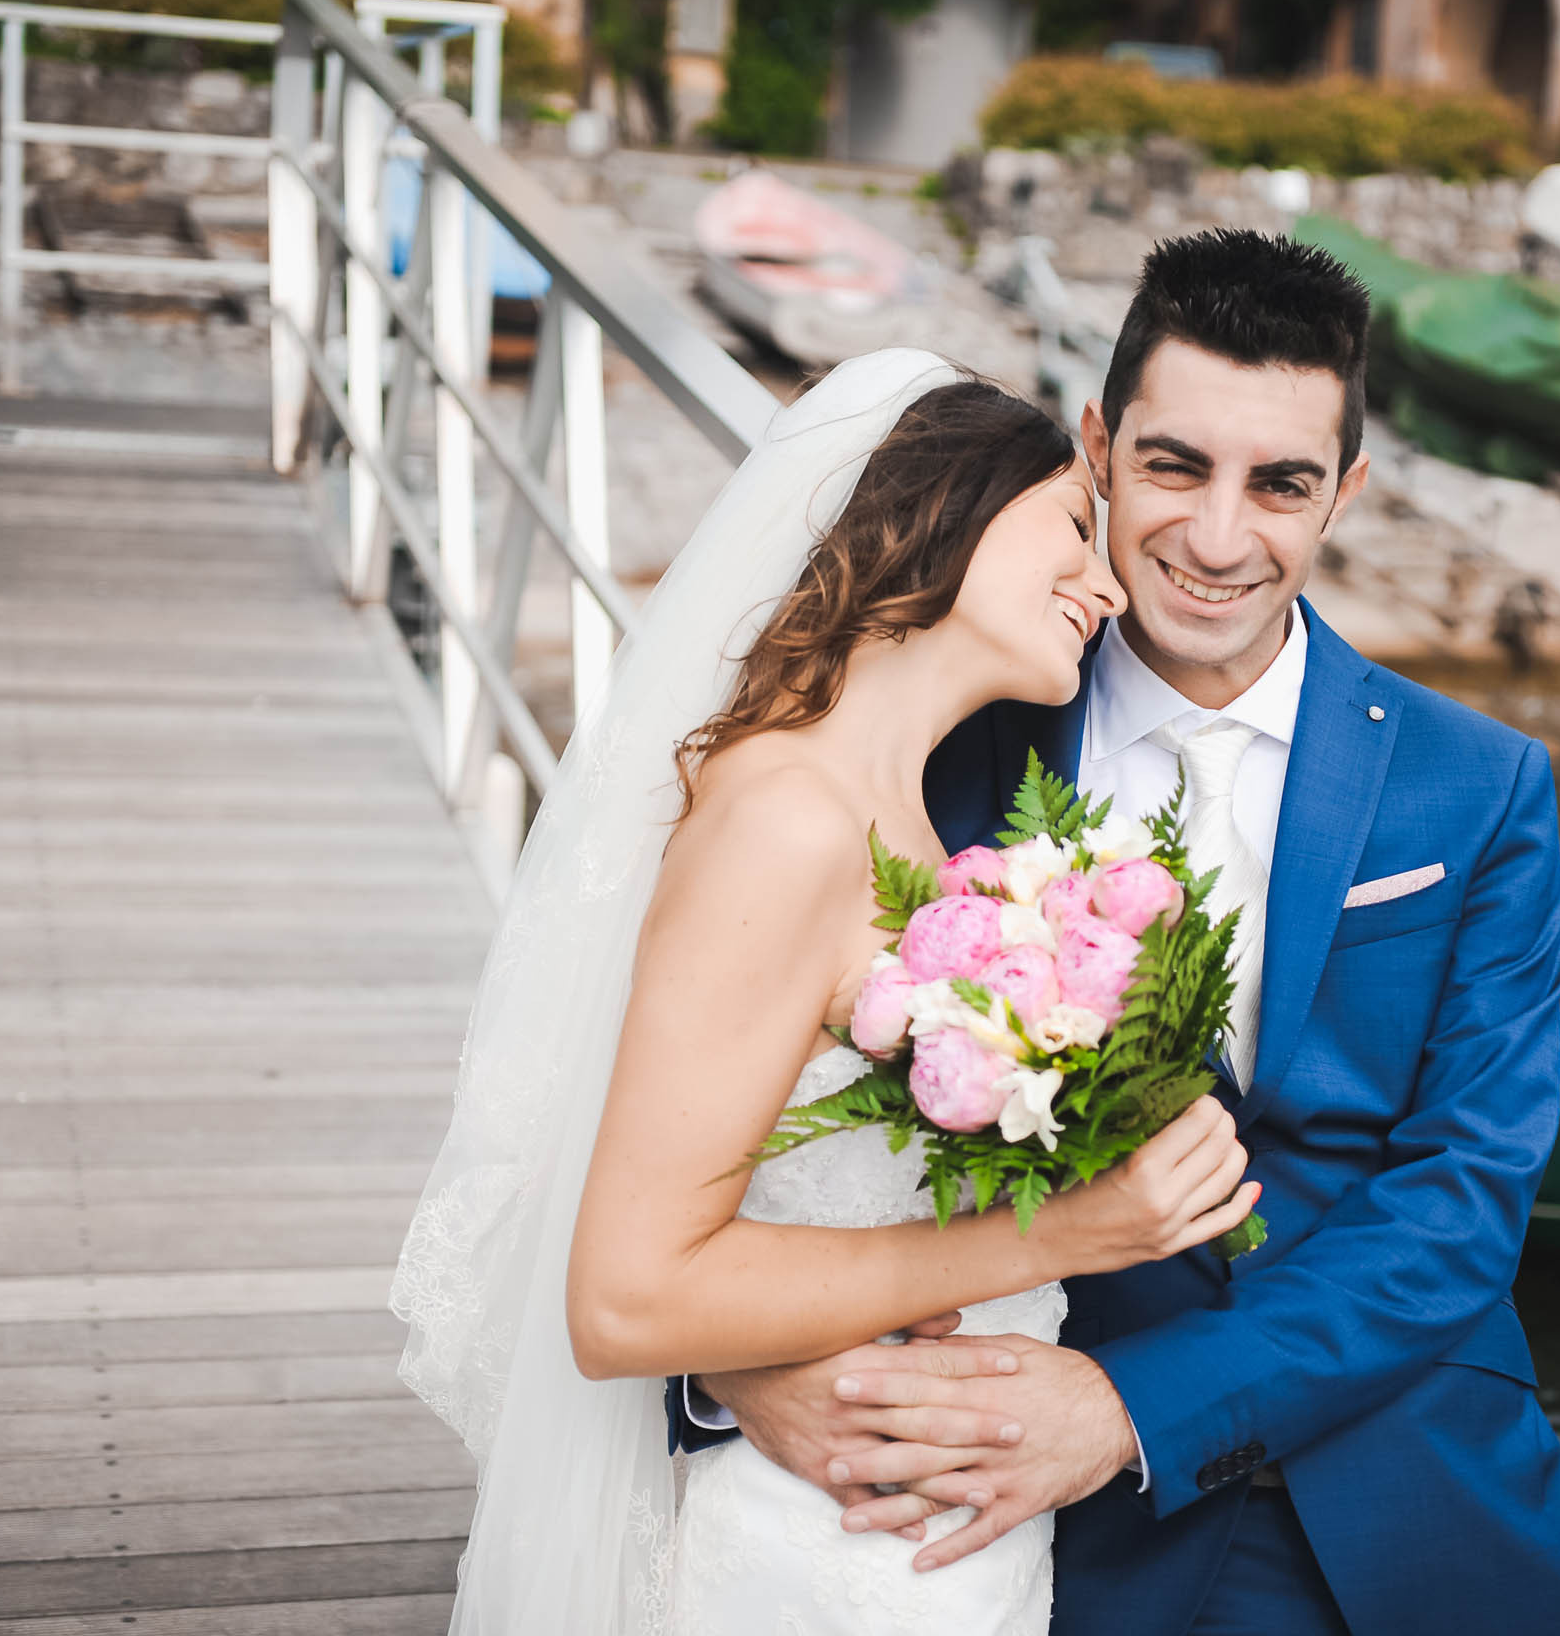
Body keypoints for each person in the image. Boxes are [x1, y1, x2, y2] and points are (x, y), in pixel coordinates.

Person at [682, 229, 1560, 1635]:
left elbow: (1462, 1200)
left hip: (1409, 1485)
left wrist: (1130, 1407)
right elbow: (700, 1128)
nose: (1219, 538)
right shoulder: (930, 749)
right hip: (1033, 1512)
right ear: (1098, 449)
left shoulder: (1478, 787)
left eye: (1281, 483)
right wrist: (733, 1370)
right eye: (1176, 466)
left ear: (1345, 492)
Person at [389, 353, 1259, 1633]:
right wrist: (1071, 1231)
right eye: (1074, 524)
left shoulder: (911, 827)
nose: (1107, 581)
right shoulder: (788, 820)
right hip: (821, 1547)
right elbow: (625, 1293)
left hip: (941, 1531)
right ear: (947, 508)